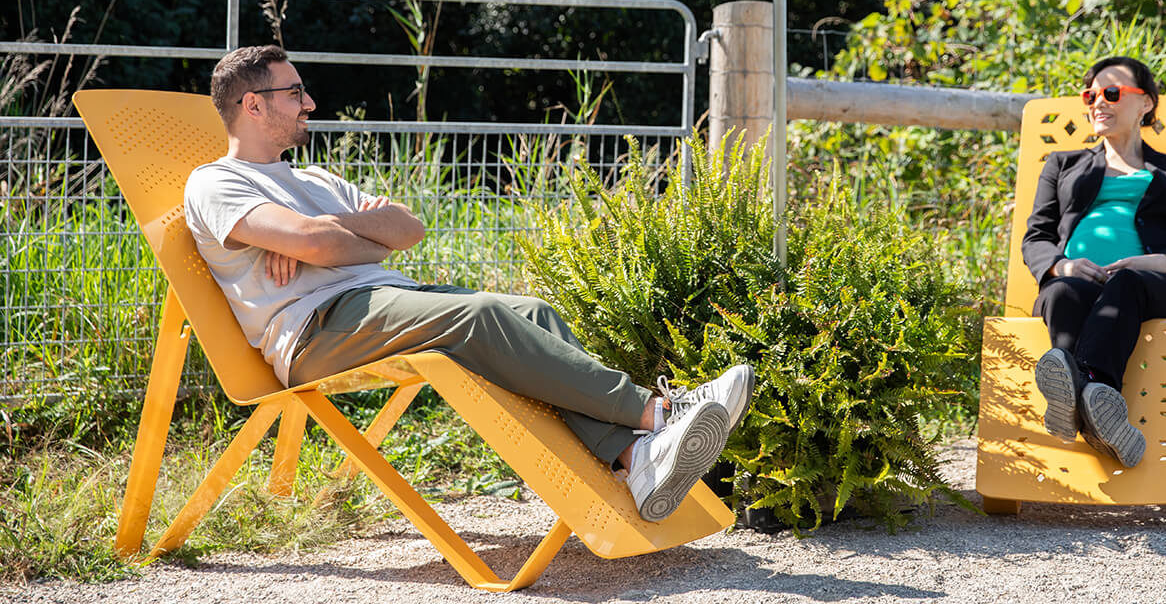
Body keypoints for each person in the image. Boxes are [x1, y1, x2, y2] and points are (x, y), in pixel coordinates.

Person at [184, 44, 753, 523]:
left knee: (532, 312)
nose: (309, 103)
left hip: (382, 299)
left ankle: (635, 459)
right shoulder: (215, 183)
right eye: (295, 93)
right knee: (479, 316)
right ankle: (661, 413)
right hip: (317, 329)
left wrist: (327, 233)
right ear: (253, 104)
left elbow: (407, 228)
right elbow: (317, 243)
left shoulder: (315, 179)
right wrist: (332, 239)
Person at [1022, 55, 1166, 468]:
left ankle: (1076, 393)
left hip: (1157, 289)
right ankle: (1100, 407)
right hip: (1078, 285)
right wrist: (1062, 266)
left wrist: (1159, 262)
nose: (1098, 102)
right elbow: (1036, 237)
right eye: (1090, 95)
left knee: (1126, 282)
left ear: (1146, 102)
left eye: (1112, 93)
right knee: (1059, 292)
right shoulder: (1064, 165)